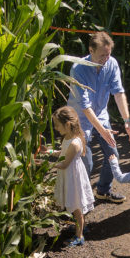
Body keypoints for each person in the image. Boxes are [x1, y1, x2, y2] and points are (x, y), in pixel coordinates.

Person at [68, 31, 130, 201]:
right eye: (101, 55)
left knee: (113, 155)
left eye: (108, 54)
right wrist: (103, 132)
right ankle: (78, 201)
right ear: (91, 50)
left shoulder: (112, 64)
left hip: (101, 116)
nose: (105, 59)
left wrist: (127, 120)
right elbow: (85, 107)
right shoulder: (78, 69)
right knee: (86, 163)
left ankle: (103, 190)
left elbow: (119, 93)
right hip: (80, 120)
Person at [51, 106, 93, 247]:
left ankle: (79, 236)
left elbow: (64, 164)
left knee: (76, 206)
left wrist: (45, 165)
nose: (56, 128)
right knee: (76, 204)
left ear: (67, 124)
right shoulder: (68, 138)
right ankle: (80, 226)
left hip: (72, 175)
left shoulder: (75, 143)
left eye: (57, 125)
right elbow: (62, 152)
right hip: (70, 174)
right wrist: (49, 152)